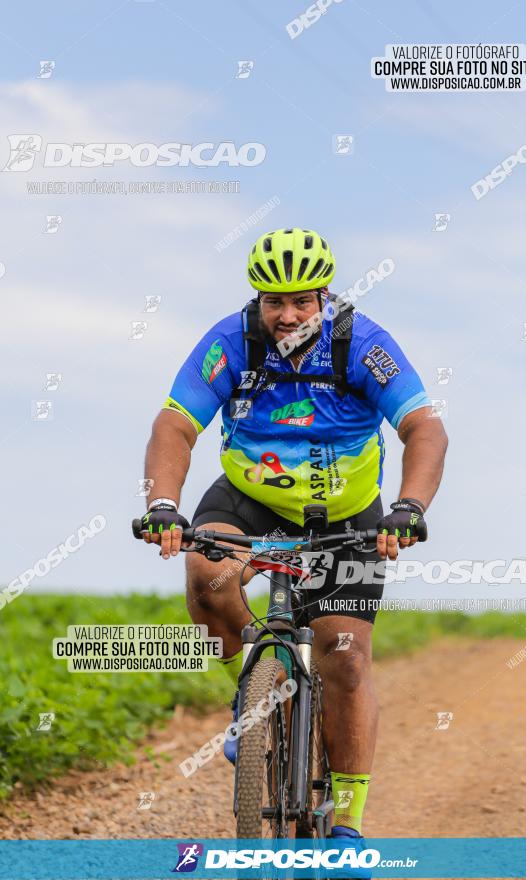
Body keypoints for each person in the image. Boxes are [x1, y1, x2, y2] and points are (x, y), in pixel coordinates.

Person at [139, 227, 448, 841]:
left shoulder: (364, 344)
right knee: (207, 577)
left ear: (324, 295)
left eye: (301, 301)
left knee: (347, 662)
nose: (286, 315)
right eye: (273, 301)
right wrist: (165, 504)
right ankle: (256, 692)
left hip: (346, 516)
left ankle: (349, 824)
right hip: (249, 501)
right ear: (257, 298)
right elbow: (175, 426)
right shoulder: (230, 341)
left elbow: (425, 430)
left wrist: (409, 507)